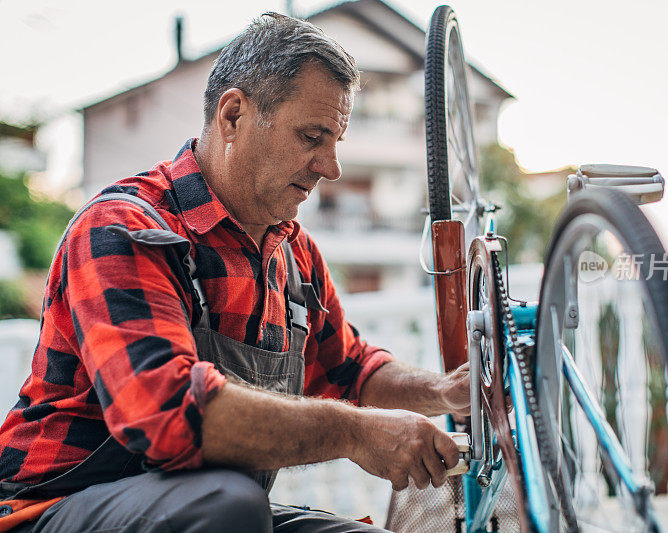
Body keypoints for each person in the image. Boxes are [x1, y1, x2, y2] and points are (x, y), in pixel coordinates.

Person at [0, 13, 469, 532]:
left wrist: (446, 391)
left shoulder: (294, 254)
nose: (331, 167)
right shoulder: (123, 228)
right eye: (312, 136)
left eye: (335, 141)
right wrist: (357, 433)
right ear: (232, 116)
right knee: (227, 505)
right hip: (51, 510)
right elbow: (166, 412)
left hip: (207, 507)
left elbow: (350, 371)